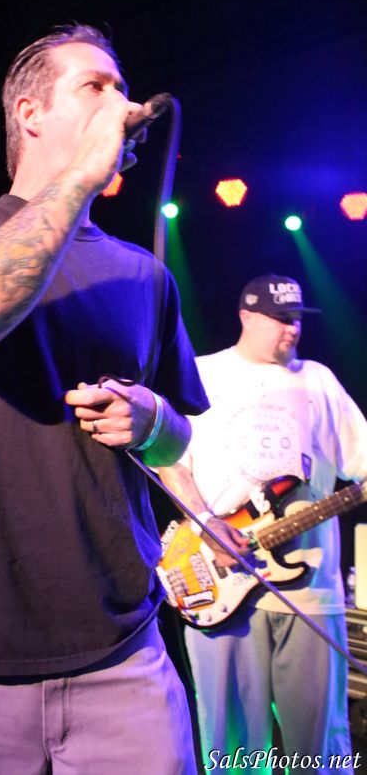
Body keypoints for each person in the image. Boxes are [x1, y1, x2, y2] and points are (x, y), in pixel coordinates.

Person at [0, 24, 209, 775]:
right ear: (29, 113)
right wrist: (80, 175)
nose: (121, 104)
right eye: (96, 87)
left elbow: (180, 439)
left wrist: (153, 420)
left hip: (121, 648)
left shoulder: (145, 275)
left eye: (123, 88)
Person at [159, 274, 367, 773]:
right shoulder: (203, 373)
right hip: (219, 582)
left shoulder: (318, 380)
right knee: (231, 744)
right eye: (280, 318)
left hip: (310, 590)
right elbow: (170, 463)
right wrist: (206, 523)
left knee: (318, 748)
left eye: (297, 318)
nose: (292, 328)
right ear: (246, 317)